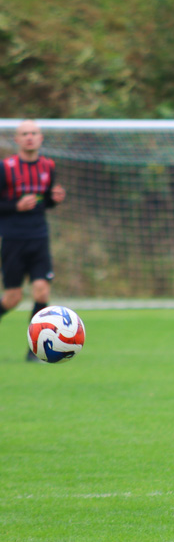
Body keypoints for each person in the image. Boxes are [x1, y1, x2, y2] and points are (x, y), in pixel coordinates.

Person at [0, 119, 66, 361]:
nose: (29, 137)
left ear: (41, 138)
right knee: (12, 298)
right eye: (24, 133)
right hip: (13, 239)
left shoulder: (48, 166)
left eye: (34, 133)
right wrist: (15, 206)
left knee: (41, 292)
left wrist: (54, 199)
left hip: (39, 237)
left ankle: (34, 350)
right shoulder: (5, 168)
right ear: (16, 140)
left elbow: (46, 201)